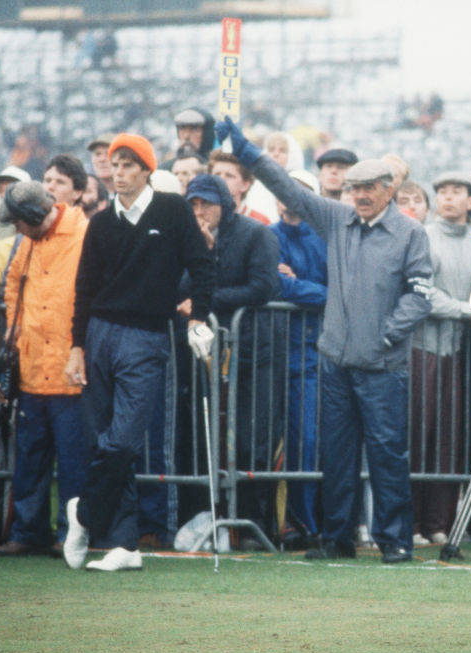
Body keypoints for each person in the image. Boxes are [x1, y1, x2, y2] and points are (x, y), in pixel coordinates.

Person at [220, 117, 433, 564]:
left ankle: (395, 540)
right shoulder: (338, 219)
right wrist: (246, 151)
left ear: (388, 190)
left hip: (383, 365)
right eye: (353, 189)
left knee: (387, 454)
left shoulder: (411, 233)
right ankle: (338, 538)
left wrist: (388, 335)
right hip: (336, 361)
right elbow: (291, 190)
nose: (358, 196)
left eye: (367, 189)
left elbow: (420, 294)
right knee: (336, 456)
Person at [62, 133, 214, 572]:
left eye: (129, 165)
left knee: (123, 439)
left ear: (147, 170)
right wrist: (76, 346)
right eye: (115, 164)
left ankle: (84, 513)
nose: (119, 172)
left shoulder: (172, 210)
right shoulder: (101, 222)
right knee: (105, 439)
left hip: (146, 337)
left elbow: (203, 265)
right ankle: (124, 543)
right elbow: (85, 288)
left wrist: (198, 316)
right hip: (100, 334)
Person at [0, 182, 90, 557]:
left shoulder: (83, 234)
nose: (15, 229)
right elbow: (13, 281)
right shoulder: (30, 241)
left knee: (74, 463)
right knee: (30, 457)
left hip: (69, 370)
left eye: (18, 222)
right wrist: (14, 329)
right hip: (33, 368)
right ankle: (29, 531)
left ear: (33, 217)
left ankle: (71, 534)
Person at [181, 173, 281, 541]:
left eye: (206, 203)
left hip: (253, 352)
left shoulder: (257, 234)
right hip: (205, 354)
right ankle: (209, 518)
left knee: (253, 440)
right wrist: (203, 255)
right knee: (204, 441)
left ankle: (256, 523)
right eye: (193, 203)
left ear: (225, 204)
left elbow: (263, 287)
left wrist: (208, 301)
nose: (200, 210)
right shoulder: (190, 238)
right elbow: (179, 289)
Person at [410, 172, 471, 545]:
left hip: (455, 353)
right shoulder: (422, 237)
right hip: (418, 350)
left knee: (447, 441)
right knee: (416, 435)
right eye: (441, 191)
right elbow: (422, 294)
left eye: (456, 192)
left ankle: (438, 524)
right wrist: (469, 310)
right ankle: (410, 524)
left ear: (470, 201)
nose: (447, 198)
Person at [270, 169, 328, 543]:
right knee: (284, 443)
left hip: (318, 353)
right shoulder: (268, 236)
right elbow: (277, 284)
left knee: (312, 442)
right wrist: (313, 290)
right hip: (278, 353)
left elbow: (337, 289)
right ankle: (292, 523)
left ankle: (312, 523)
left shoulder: (324, 238)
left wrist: (300, 287)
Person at [207, 150, 271, 225]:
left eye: (229, 175)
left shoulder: (260, 222)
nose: (221, 179)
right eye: (217, 175)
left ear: (245, 185)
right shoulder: (201, 217)